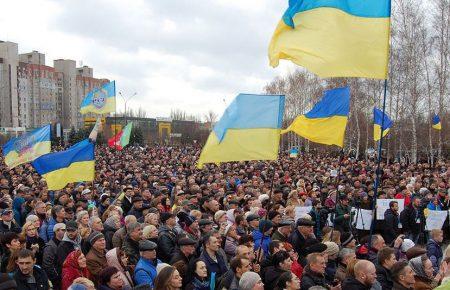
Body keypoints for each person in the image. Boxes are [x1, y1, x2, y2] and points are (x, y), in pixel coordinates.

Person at [42, 222, 66, 290]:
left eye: (64, 230)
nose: (63, 232)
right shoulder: (50, 247)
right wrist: (57, 277)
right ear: (56, 232)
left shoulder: (65, 242)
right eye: (59, 230)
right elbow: (47, 265)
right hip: (56, 280)